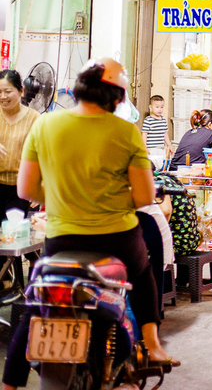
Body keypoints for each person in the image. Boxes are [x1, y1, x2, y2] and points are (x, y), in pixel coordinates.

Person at [4, 58, 176, 390]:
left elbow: (25, 190)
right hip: (116, 238)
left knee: (38, 302)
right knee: (142, 274)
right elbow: (143, 196)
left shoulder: (45, 125)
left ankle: (10, 384)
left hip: (60, 239)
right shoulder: (126, 132)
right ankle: (153, 345)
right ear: (117, 97)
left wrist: (61, 198)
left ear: (78, 88)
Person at [0, 69, 40, 221]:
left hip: (20, 189)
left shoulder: (34, 118)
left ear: (21, 91)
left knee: (11, 235)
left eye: (7, 91)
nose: (3, 96)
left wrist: (40, 185)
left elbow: (43, 154)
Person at [142, 95, 174, 162]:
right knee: (152, 167)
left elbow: (165, 134)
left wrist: (169, 146)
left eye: (162, 107)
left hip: (161, 149)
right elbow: (144, 134)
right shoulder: (148, 120)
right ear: (150, 107)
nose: (159, 109)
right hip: (151, 149)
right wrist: (144, 147)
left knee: (161, 166)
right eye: (157, 107)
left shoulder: (163, 120)